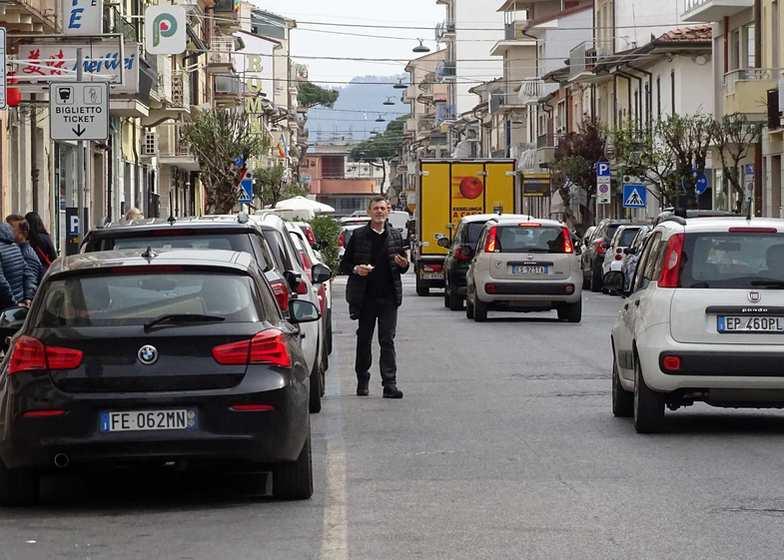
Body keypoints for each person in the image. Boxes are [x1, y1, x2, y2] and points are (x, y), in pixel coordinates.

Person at [339, 196, 409, 399]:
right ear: (369, 212)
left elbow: (403, 266)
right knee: (364, 339)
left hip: (389, 297)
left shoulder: (396, 236)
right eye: (376, 208)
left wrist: (403, 264)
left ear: (388, 212)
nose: (380, 212)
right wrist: (356, 269)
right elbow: (344, 265)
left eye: (383, 208)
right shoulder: (359, 235)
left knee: (387, 340)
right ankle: (362, 380)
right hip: (365, 297)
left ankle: (390, 384)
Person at [0, 223, 35, 309]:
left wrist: (13, 302)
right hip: (19, 305)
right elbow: (29, 274)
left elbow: (1, 282)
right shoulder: (15, 247)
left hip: (6, 308)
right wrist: (28, 297)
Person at [12, 220, 44, 289]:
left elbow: (31, 283)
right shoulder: (17, 251)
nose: (7, 231)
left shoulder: (27, 256)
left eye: (12, 229)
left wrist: (27, 298)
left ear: (24, 233)